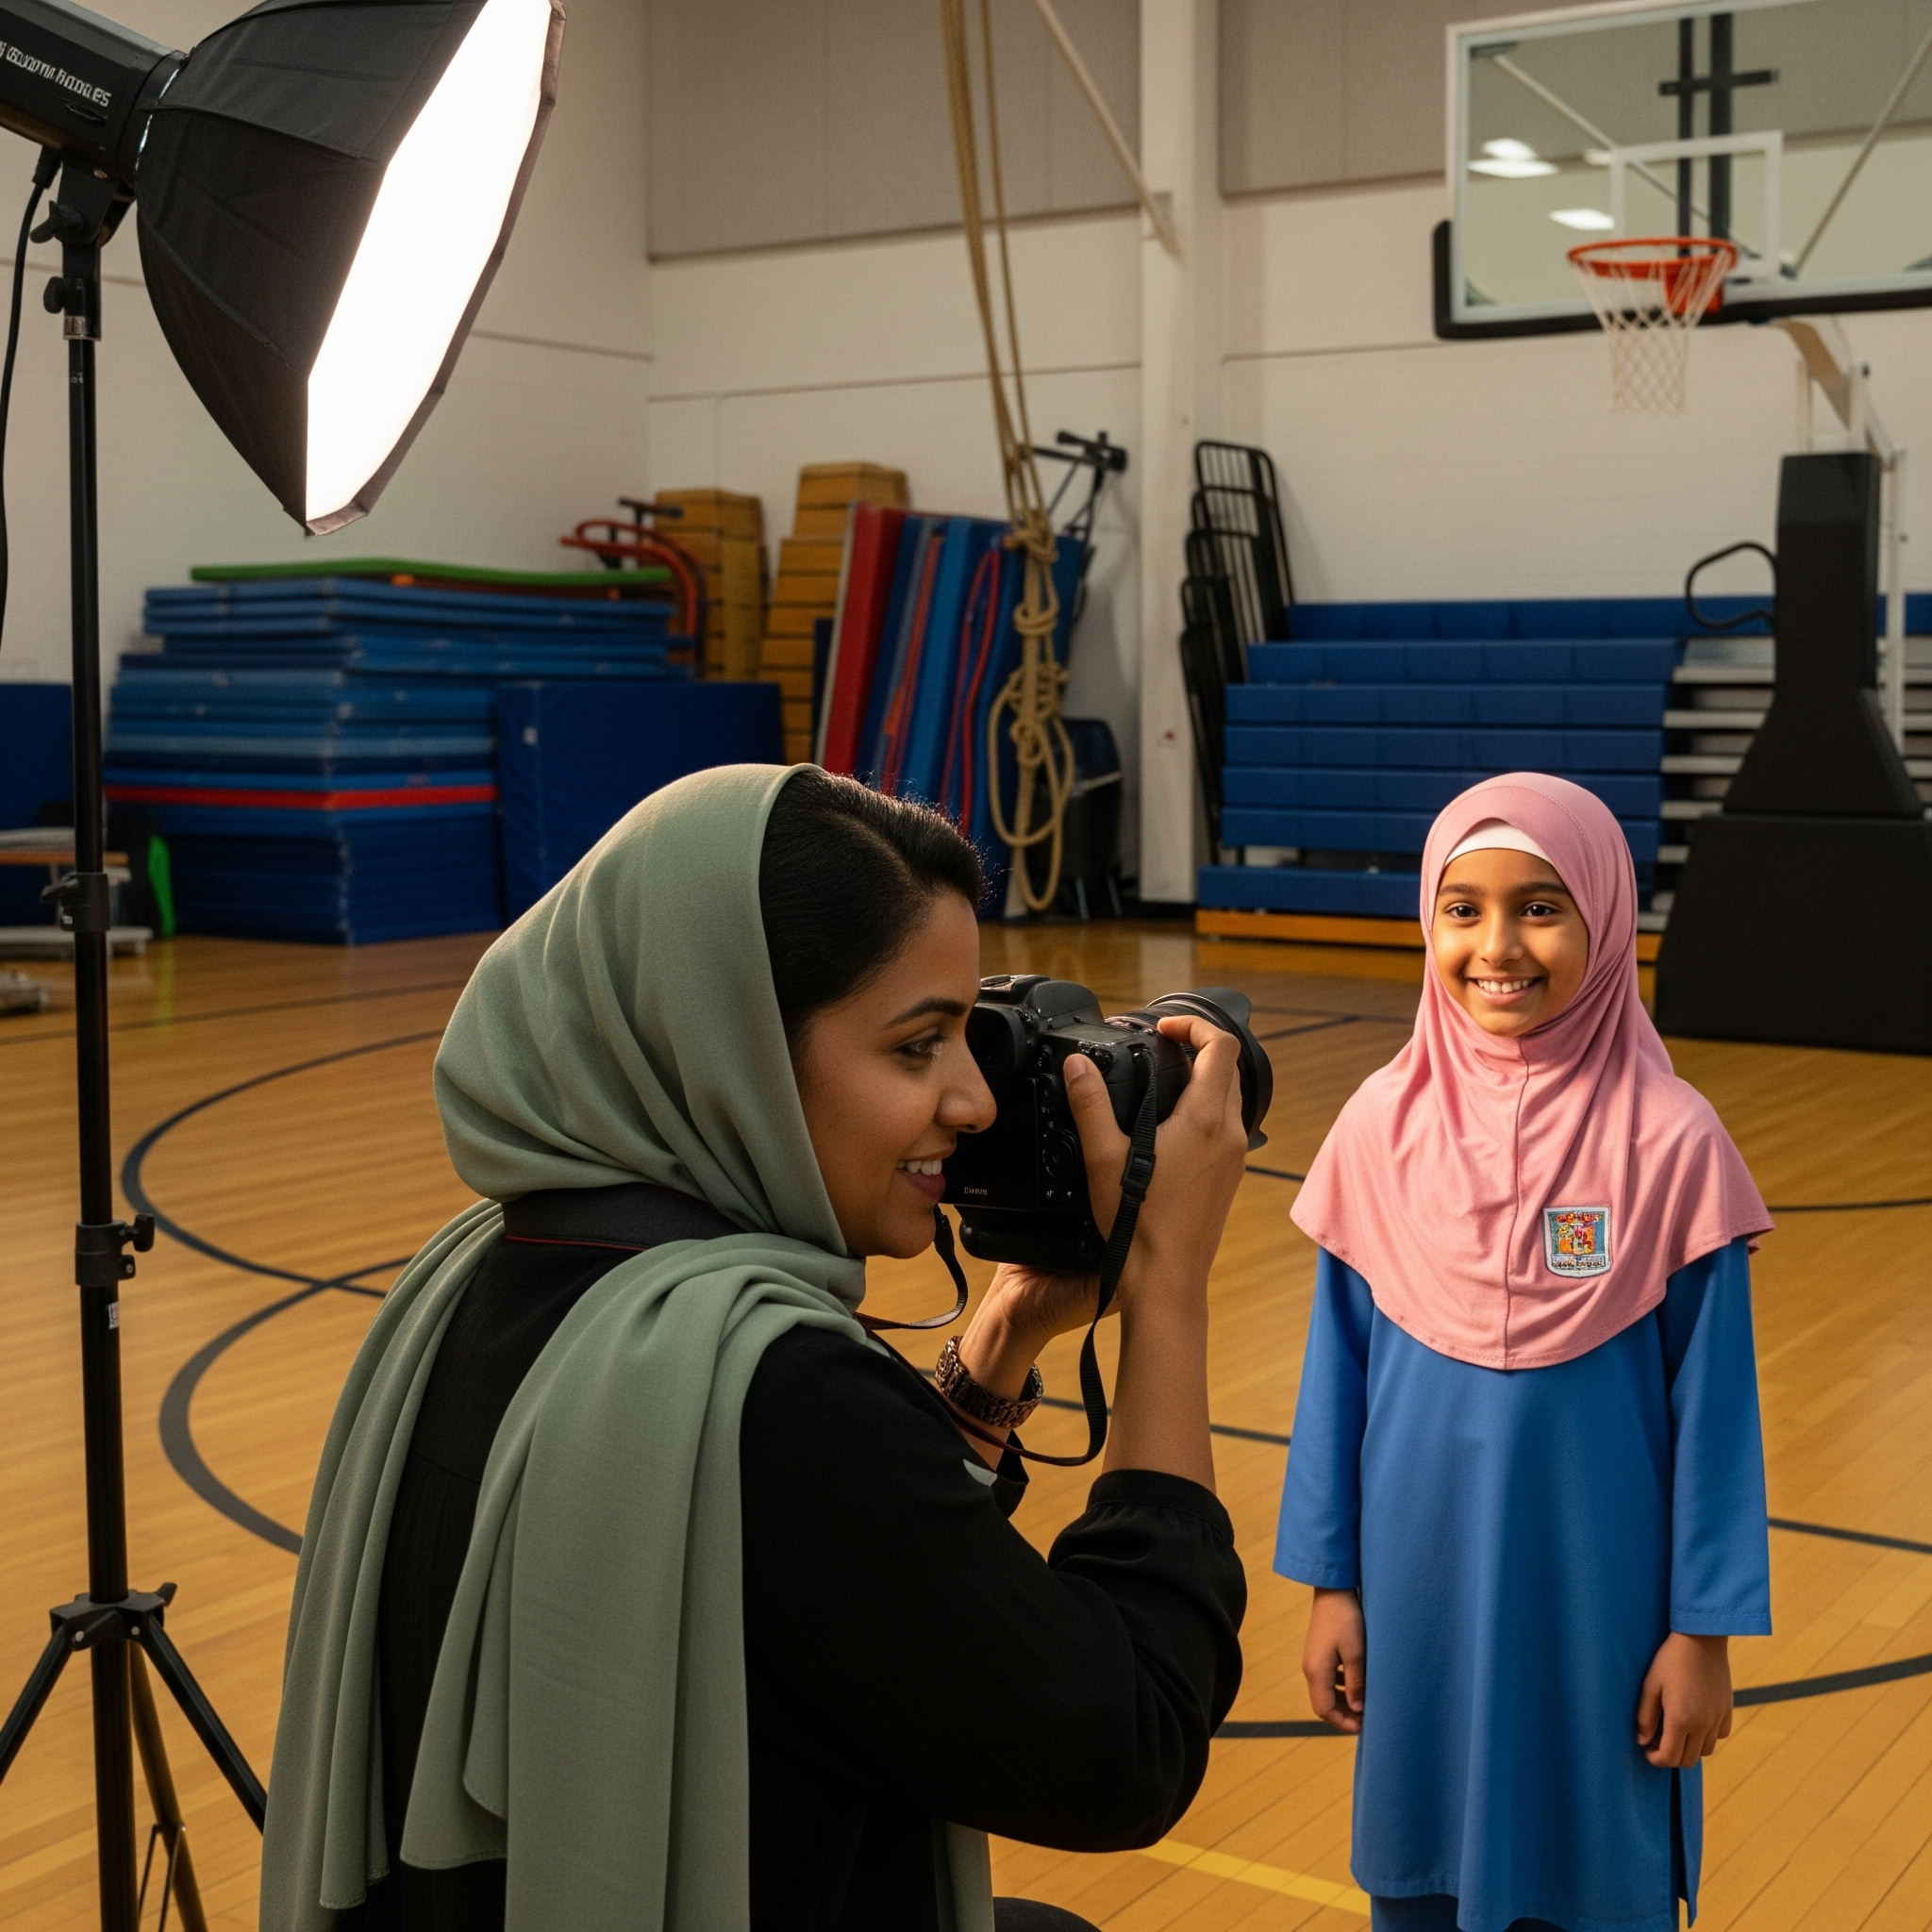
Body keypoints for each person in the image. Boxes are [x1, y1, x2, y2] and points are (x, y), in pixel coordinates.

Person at [258, 763, 1249, 1932]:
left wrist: (1007, 1321)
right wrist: (1167, 1287)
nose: (976, 1099)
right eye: (915, 1046)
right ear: (731, 1046)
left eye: (968, 1035)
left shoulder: (479, 1270)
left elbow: (840, 1576)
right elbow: (1121, 1742)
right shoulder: (767, 1385)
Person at [1274, 772, 1774, 1932]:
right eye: (1462, 908)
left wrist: (1701, 1632)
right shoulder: (1374, 1128)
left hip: (1598, 1607)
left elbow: (1715, 1421)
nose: (1496, 945)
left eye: (1538, 905)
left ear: (1603, 916)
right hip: (1417, 1593)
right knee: (1420, 1865)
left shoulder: (1671, 1140)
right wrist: (1329, 1585)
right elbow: (1330, 1386)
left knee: (1591, 1868)